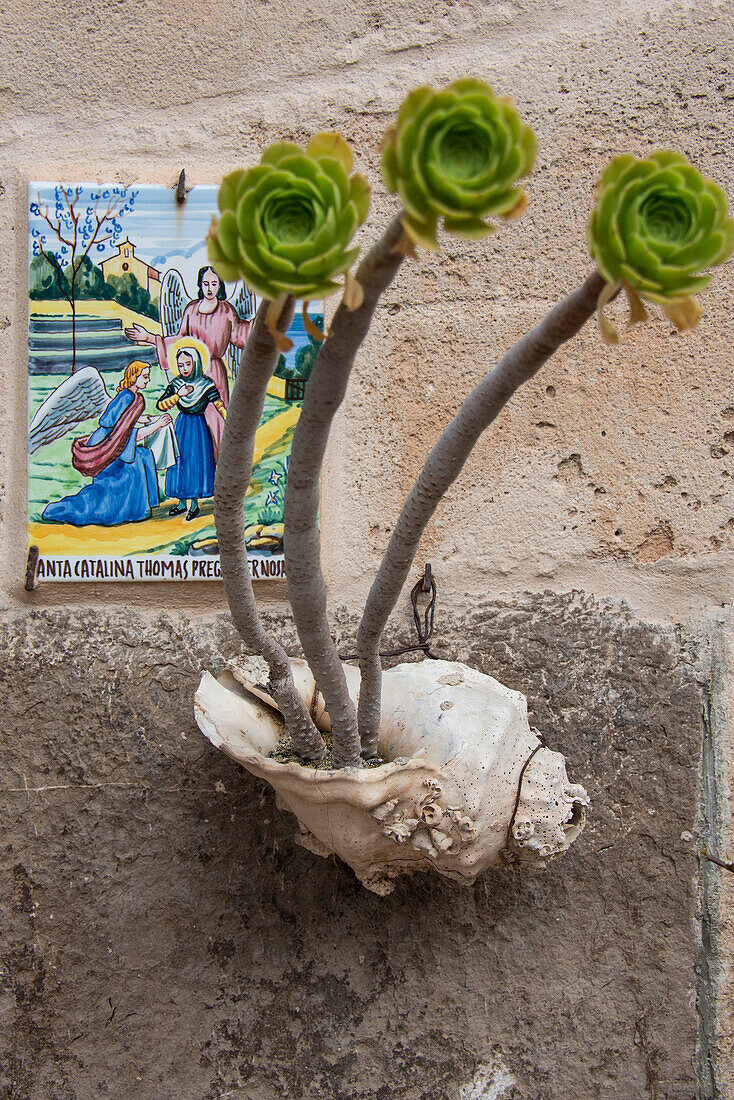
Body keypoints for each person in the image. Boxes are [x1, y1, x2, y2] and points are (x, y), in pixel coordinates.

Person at [125, 266, 251, 458]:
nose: (209, 288)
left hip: (215, 374)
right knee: (193, 421)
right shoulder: (191, 309)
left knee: (216, 418)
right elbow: (180, 341)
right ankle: (196, 467)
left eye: (214, 284)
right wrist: (150, 337)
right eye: (206, 283)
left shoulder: (226, 311)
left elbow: (241, 335)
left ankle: (218, 465)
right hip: (192, 373)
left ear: (220, 285)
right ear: (200, 285)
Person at [42, 361, 168, 526]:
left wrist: (149, 419)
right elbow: (119, 428)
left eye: (148, 377)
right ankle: (123, 509)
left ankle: (145, 505)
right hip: (108, 446)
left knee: (144, 455)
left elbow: (127, 421)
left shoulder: (135, 396)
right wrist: (156, 426)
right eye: (144, 377)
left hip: (118, 443)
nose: (147, 380)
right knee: (131, 468)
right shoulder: (126, 397)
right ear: (133, 377)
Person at [156, 346, 226, 520]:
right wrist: (178, 395)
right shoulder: (176, 384)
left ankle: (194, 505)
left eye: (188, 364)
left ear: (196, 363)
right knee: (179, 462)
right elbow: (161, 405)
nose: (185, 368)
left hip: (197, 428)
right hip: (181, 426)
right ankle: (181, 503)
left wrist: (230, 420)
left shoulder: (206, 384)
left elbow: (219, 405)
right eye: (181, 365)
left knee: (195, 463)